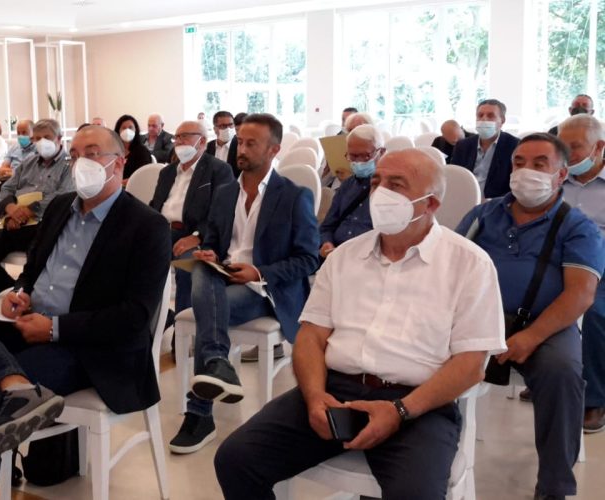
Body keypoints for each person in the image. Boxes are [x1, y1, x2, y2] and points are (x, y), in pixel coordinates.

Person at [214, 148, 507, 500]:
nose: (380, 193)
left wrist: (400, 411)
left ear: (430, 204)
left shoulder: (469, 264)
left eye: (396, 185)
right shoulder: (345, 257)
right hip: (334, 390)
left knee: (415, 495)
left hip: (417, 403)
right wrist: (315, 396)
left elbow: (471, 364)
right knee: (236, 459)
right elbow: (311, 336)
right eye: (376, 182)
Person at [0, 124, 170, 499]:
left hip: (89, 347)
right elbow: (32, 270)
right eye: (74, 155)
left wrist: (54, 329)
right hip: (31, 322)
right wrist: (20, 293)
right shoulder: (60, 207)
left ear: (119, 163)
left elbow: (134, 317)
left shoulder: (146, 225)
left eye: (92, 153)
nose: (80, 163)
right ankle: (16, 387)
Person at [456, 133, 603, 499]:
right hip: (476, 318)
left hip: (545, 325)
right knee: (416, 352)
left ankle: (554, 485)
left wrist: (531, 337)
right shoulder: (484, 214)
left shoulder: (577, 227)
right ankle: (423, 458)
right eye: (519, 163)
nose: (526, 172)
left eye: (540, 164)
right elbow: (449, 261)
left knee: (561, 371)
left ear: (561, 174)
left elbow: (580, 293)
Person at [169, 114, 320, 454]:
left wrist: (258, 272)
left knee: (208, 305)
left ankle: (199, 412)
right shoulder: (225, 193)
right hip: (222, 279)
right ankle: (217, 363)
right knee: (202, 270)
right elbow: (214, 240)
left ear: (274, 150)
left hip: (266, 290)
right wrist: (208, 252)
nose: (242, 149)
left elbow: (309, 259)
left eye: (252, 143)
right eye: (241, 141)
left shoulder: (294, 196)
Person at [0, 119, 75, 295]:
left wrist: (28, 211)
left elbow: (63, 196)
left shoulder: (69, 165)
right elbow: (7, 188)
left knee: (36, 264)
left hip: (44, 224)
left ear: (59, 139)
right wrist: (11, 209)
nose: (42, 142)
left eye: (47, 137)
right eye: (37, 138)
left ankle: (27, 294)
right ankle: (12, 294)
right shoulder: (28, 163)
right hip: (14, 221)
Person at [149, 120, 234, 313]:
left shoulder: (218, 170)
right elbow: (155, 206)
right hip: (163, 231)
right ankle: (154, 319)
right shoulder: (167, 172)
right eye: (177, 137)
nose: (179, 141)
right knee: (132, 259)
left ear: (202, 141)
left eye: (185, 136)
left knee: (187, 268)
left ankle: (182, 322)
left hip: (193, 234)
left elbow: (222, 213)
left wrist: (198, 236)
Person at [558, 114, 605, 433]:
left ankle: (595, 398)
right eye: (563, 146)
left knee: (595, 313)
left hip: (600, 265)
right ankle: (550, 375)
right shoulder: (555, 179)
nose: (568, 154)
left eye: (575, 147)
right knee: (527, 297)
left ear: (599, 147)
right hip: (558, 261)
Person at [319, 124, 386, 258]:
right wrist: (326, 243)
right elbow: (327, 226)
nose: (359, 162)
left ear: (381, 152)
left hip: (368, 257)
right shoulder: (347, 185)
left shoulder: (390, 189)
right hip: (336, 254)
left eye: (365, 156)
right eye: (353, 156)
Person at [449, 98, 520, 199]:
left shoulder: (514, 146)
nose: (484, 119)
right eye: (480, 115)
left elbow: (517, 186)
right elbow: (454, 177)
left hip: (496, 202)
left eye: (490, 116)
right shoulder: (463, 145)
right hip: (464, 199)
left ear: (502, 120)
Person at [114, 114, 154, 181]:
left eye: (130, 128)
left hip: (133, 185)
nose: (127, 131)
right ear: (118, 131)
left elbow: (142, 176)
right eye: (123, 128)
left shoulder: (142, 152)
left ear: (136, 130)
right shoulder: (113, 150)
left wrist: (119, 183)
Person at [206, 111, 239, 177]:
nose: (228, 129)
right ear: (215, 129)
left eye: (230, 125)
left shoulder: (240, 145)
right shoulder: (208, 147)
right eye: (223, 126)